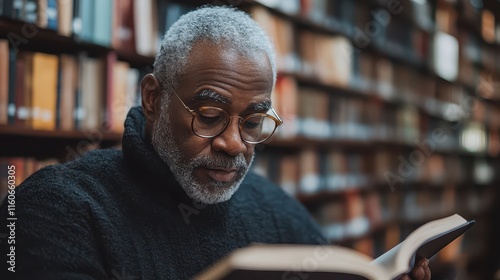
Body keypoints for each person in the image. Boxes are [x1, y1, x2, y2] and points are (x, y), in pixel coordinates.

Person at [0, 6, 430, 280]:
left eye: (253, 121)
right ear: (153, 98)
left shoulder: (274, 209)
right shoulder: (52, 209)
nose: (233, 144)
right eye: (209, 116)